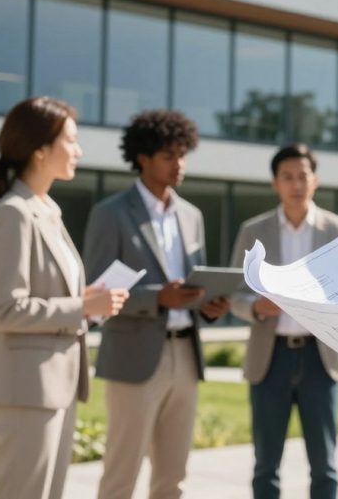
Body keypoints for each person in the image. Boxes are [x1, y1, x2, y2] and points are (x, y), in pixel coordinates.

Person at [0, 97, 128, 499]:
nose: (79, 151)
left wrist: (90, 301)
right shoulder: (13, 213)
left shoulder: (47, 209)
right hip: (24, 389)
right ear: (40, 149)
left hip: (54, 385)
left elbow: (48, 295)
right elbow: (4, 309)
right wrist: (83, 306)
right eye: (71, 141)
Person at [83, 109, 231, 499]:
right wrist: (157, 297)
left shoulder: (192, 216)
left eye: (183, 155)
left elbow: (192, 283)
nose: (178, 165)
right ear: (143, 158)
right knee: (121, 473)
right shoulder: (110, 214)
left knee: (173, 476)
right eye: (169, 156)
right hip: (134, 357)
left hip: (186, 354)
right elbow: (94, 293)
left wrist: (206, 306)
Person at [229, 143, 338, 499]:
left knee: (325, 465)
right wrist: (257, 308)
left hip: (321, 359)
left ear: (314, 180)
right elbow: (233, 295)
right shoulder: (253, 231)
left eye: (302, 176)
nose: (296, 184)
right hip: (270, 359)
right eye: (287, 177)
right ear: (275, 183)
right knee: (265, 466)